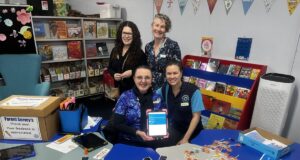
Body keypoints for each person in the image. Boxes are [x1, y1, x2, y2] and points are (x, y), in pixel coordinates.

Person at [110, 65, 166, 147]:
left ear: (152, 79)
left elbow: (163, 120)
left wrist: (164, 130)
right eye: (139, 77)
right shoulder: (125, 97)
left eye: (147, 77)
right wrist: (137, 132)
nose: (143, 81)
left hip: (153, 141)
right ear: (134, 79)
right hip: (129, 141)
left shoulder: (158, 98)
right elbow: (117, 124)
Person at [157, 60, 204, 145]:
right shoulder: (164, 89)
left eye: (175, 73)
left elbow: (196, 117)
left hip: (194, 133)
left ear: (181, 73)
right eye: (169, 73)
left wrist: (185, 139)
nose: (172, 76)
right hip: (176, 130)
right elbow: (152, 96)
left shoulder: (193, 91)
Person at [108, 21, 147, 94]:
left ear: (134, 36)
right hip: (118, 91)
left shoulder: (139, 53)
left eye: (129, 33)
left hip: (133, 92)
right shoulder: (115, 50)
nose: (126, 36)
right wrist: (114, 75)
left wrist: (132, 72)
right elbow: (110, 68)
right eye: (124, 33)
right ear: (120, 34)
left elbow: (145, 71)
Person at [145, 13, 181, 90]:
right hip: (150, 89)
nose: (158, 29)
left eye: (162, 27)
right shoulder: (148, 47)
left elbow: (177, 71)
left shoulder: (172, 45)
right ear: (152, 26)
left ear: (166, 29)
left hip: (167, 89)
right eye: (156, 25)